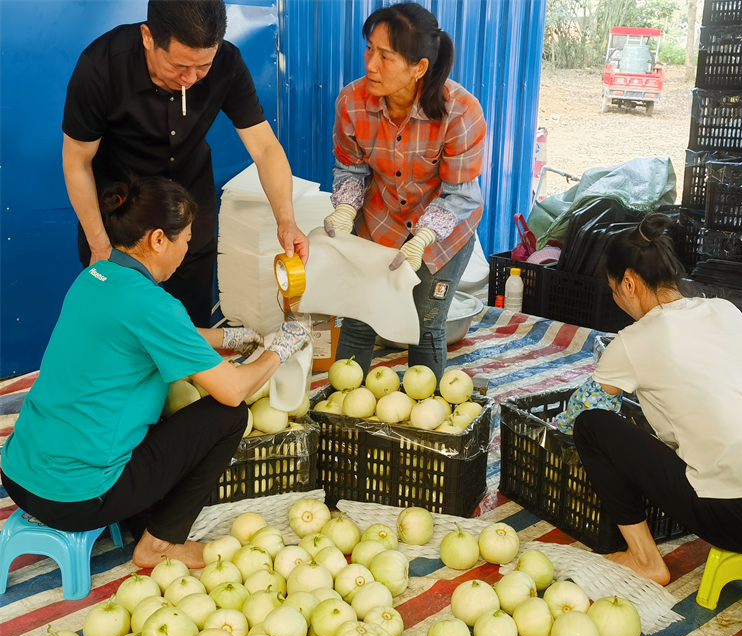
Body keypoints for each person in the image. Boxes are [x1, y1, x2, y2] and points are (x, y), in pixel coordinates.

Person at [0, 176, 310, 569]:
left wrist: (232, 337)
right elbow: (233, 391)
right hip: (76, 498)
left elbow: (158, 332)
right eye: (186, 240)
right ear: (159, 239)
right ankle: (158, 545)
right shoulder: (153, 304)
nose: (188, 250)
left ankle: (135, 511)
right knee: (228, 416)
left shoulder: (96, 277)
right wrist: (281, 348)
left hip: (19, 477)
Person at [569, 213, 742, 585]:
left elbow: (584, 407)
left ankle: (645, 560)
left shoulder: (632, 341)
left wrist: (558, 430)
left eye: (613, 290)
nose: (617, 300)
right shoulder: (725, 309)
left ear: (628, 283)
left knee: (591, 426)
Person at [62, 0, 308, 328]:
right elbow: (77, 162)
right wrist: (100, 245)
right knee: (119, 329)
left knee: (188, 325)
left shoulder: (227, 63)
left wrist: (286, 220)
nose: (190, 79)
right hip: (121, 214)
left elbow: (265, 148)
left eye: (203, 67)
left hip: (190, 211)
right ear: (148, 37)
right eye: (179, 66)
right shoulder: (101, 67)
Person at [323, 2, 486, 379]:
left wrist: (423, 237)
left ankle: (424, 424)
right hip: (379, 222)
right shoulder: (352, 102)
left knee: (424, 323)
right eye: (369, 49)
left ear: (419, 68)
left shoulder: (460, 112)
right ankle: (342, 414)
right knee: (360, 317)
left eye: (385, 56)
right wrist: (346, 208)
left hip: (444, 233)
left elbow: (460, 193)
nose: (370, 64)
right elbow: (350, 167)